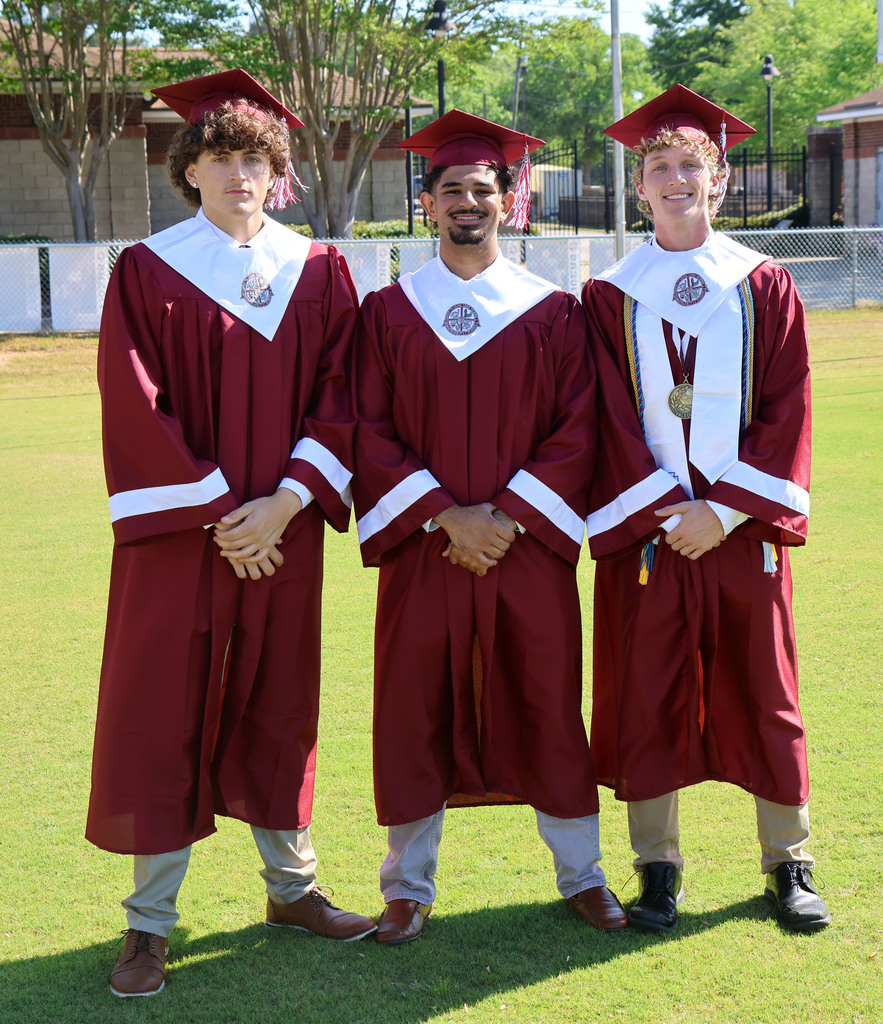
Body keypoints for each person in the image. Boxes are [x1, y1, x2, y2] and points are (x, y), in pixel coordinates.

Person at [87, 69, 376, 999]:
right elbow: (135, 403)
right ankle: (149, 924)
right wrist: (221, 511)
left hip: (283, 534)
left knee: (278, 704)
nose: (237, 174)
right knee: (162, 711)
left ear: (276, 171)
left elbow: (347, 400)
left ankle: (292, 889)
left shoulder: (320, 271)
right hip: (184, 539)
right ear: (191, 171)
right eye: (219, 158)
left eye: (254, 158)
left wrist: (284, 505)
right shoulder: (148, 269)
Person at [352, 109, 627, 944]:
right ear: (426, 203)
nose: (467, 201)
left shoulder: (553, 312)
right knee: (412, 705)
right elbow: (366, 426)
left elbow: (579, 428)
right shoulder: (388, 313)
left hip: (523, 549)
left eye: (482, 188)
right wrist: (444, 515)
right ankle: (407, 887)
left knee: (547, 698)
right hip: (425, 551)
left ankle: (583, 875)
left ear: (508, 201)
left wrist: (502, 518)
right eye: (450, 190)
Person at [582, 84, 831, 933]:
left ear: (718, 181)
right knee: (645, 690)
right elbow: (603, 420)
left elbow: (786, 408)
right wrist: (667, 512)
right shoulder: (607, 297)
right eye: (658, 166)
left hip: (741, 532)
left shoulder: (764, 285)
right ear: (638, 186)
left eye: (691, 164)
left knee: (766, 691)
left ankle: (787, 862)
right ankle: (657, 868)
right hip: (652, 537)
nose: (675, 178)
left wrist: (720, 514)